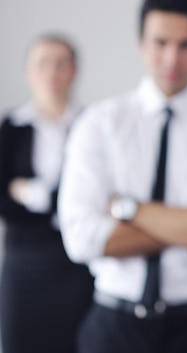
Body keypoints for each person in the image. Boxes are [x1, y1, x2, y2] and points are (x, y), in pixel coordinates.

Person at [57, 0, 187, 353]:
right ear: (140, 43)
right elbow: (80, 238)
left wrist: (126, 210)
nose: (171, 58)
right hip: (112, 325)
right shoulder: (98, 123)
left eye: (186, 45)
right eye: (160, 42)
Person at [0, 34, 94, 353]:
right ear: (29, 72)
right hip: (25, 260)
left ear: (74, 70)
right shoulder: (11, 127)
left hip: (77, 261)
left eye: (61, 64)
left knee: (75, 341)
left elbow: (95, 194)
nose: (52, 72)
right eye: (43, 64)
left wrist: (31, 192)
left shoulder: (91, 124)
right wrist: (60, 198)